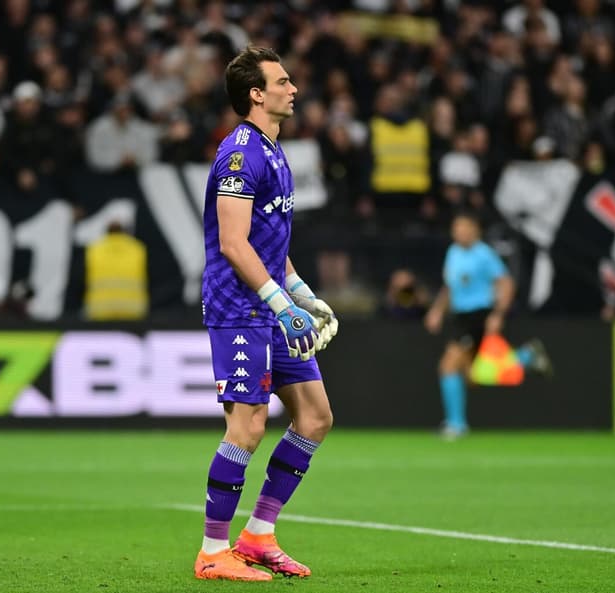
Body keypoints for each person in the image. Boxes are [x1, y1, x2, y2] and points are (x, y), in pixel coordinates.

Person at [194, 47, 339, 582]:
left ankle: (258, 536)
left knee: (315, 417)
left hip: (272, 306)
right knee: (248, 426)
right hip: (239, 310)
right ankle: (213, 551)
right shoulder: (239, 155)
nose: (293, 87)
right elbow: (233, 242)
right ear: (257, 94)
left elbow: (269, 239)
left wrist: (299, 291)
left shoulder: (276, 151)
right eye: (282, 81)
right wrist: (280, 303)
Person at [424, 212, 550, 440]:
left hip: (479, 315)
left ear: (475, 230)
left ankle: (456, 425)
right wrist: (437, 310)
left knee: (448, 365)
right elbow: (449, 287)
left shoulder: (484, 254)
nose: (460, 232)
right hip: (460, 317)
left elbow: (506, 284)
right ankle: (525, 357)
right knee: (472, 376)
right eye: (457, 227)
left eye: (464, 227)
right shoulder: (452, 252)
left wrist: (498, 314)